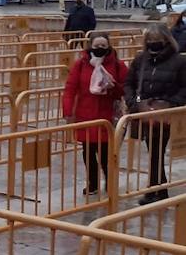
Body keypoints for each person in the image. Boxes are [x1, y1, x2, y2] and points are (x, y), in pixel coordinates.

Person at [125, 22, 186, 205]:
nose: (153, 43)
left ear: (167, 40)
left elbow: (184, 88)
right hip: (144, 112)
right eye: (150, 40)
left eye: (157, 40)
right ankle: (158, 188)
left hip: (166, 112)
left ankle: (156, 189)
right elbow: (129, 83)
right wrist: (133, 103)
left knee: (156, 150)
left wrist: (171, 103)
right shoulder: (140, 60)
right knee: (153, 150)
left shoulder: (180, 61)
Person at [62, 33, 127, 196]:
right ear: (90, 46)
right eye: (96, 46)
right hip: (85, 113)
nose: (99, 49)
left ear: (109, 47)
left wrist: (113, 86)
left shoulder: (118, 65)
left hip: (108, 114)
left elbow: (126, 89)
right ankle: (92, 183)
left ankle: (110, 181)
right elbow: (70, 88)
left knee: (106, 152)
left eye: (103, 46)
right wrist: (68, 111)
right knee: (88, 151)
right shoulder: (81, 64)